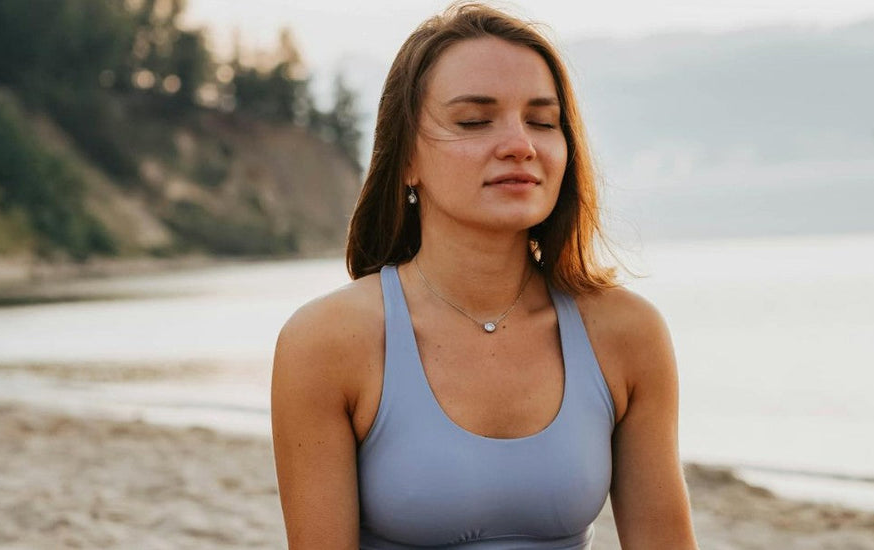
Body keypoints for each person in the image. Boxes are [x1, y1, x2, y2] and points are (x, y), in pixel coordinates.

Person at [271, 3, 699, 548]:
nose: (521, 144)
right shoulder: (327, 342)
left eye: (543, 121)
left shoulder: (625, 333)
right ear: (405, 158)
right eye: (475, 121)